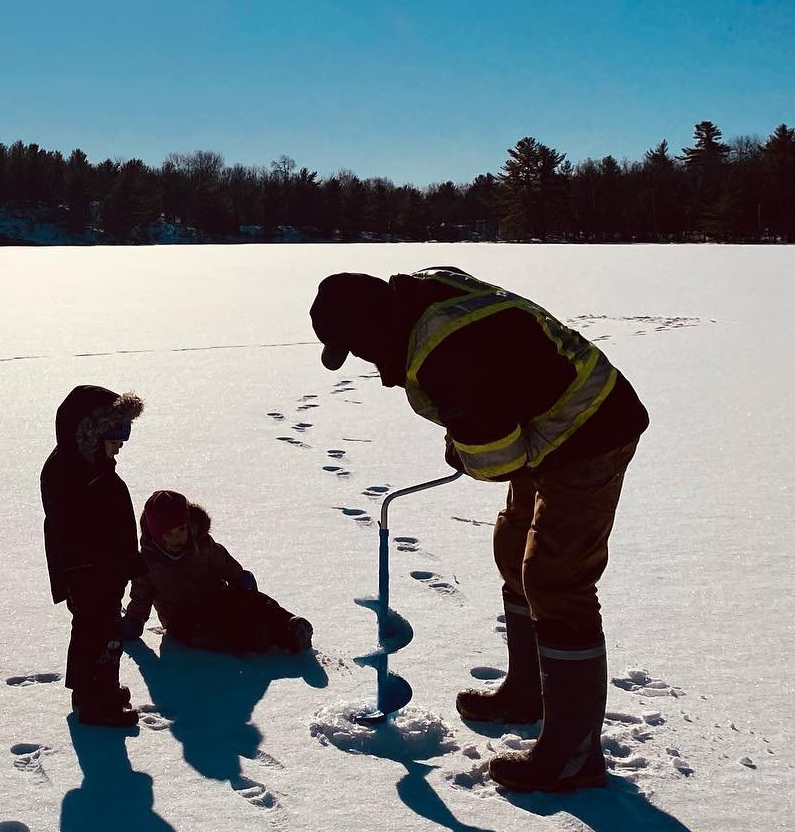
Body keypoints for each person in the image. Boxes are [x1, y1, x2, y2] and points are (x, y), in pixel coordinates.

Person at [309, 266, 649, 794]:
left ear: (376, 331)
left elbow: (498, 460)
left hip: (591, 428)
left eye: (363, 351)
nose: (373, 368)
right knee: (513, 547)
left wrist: (467, 440)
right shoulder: (422, 296)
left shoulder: (449, 354)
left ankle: (574, 755)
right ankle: (527, 693)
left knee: (556, 580)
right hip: (548, 420)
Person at [42, 385, 145, 728]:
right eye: (114, 443)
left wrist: (130, 562)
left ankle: (99, 688)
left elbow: (118, 527)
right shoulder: (70, 476)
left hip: (107, 573)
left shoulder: (98, 472)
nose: (118, 451)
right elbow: (68, 533)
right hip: (88, 575)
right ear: (91, 436)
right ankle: (94, 701)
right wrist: (82, 573)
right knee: (95, 632)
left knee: (104, 632)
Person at [122, 490, 314, 656]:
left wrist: (240, 579)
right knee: (212, 633)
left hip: (215, 598)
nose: (177, 538)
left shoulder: (203, 545)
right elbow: (141, 596)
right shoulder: (148, 563)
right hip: (182, 619)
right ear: (156, 535)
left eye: (181, 530)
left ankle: (289, 627)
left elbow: (225, 564)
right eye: (169, 534)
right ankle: (252, 639)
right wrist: (134, 620)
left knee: (255, 602)